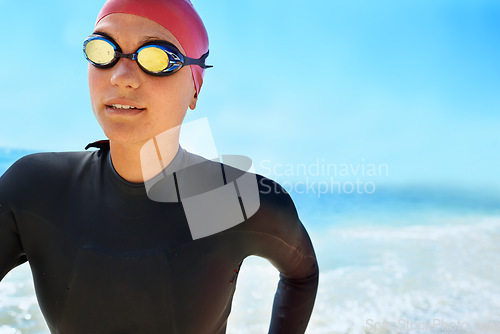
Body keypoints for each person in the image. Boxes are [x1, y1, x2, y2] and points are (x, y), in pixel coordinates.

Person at [0, 0, 319, 333]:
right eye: (103, 51)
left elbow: (302, 274)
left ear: (195, 88)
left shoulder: (230, 202)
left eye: (156, 58)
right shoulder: (38, 190)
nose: (122, 77)